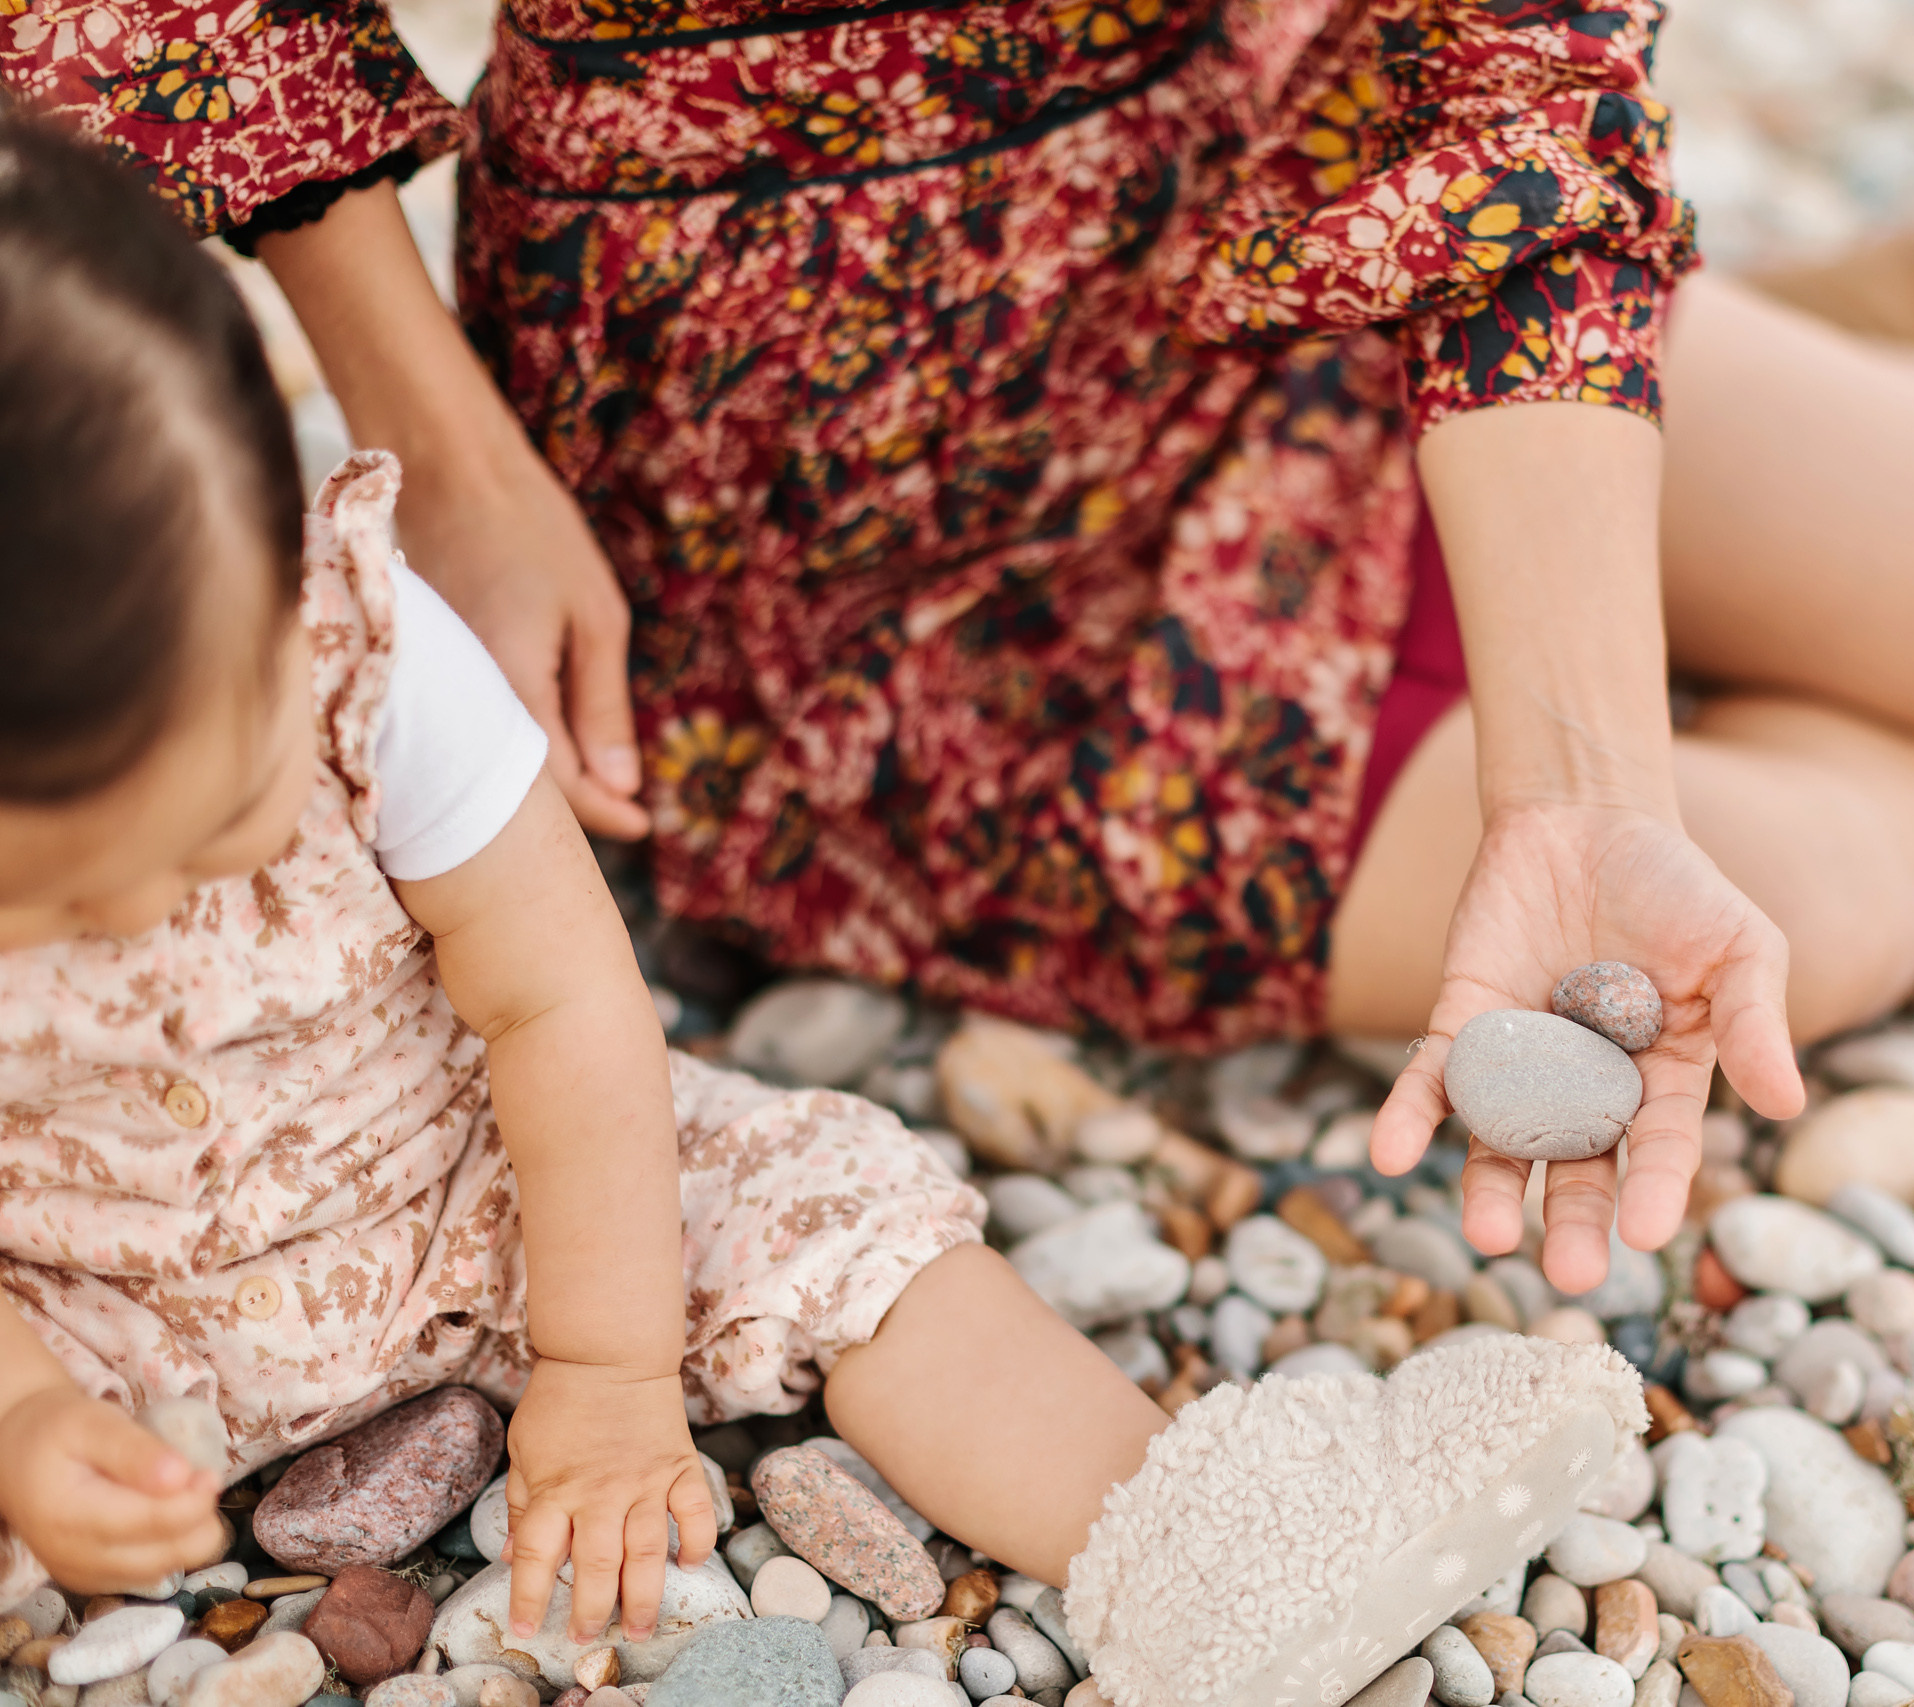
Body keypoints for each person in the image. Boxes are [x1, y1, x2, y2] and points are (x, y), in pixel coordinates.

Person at [5, 0, 1914, 1302]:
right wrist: (414, 403)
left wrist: (1581, 769)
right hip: (803, 505)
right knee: (1825, 919)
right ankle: (1833, 415)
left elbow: (1492, 31)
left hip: (1292, 240)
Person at [0, 118, 1644, 1707]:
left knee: (840, 1212)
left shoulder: (366, 647)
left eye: (223, 821)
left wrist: (610, 1367)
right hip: (88, 1300)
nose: (146, 910)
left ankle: (1208, 1549)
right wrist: (25, 1429)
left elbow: (556, 1003)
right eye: (51, 896)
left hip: (477, 1173)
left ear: (286, 571)